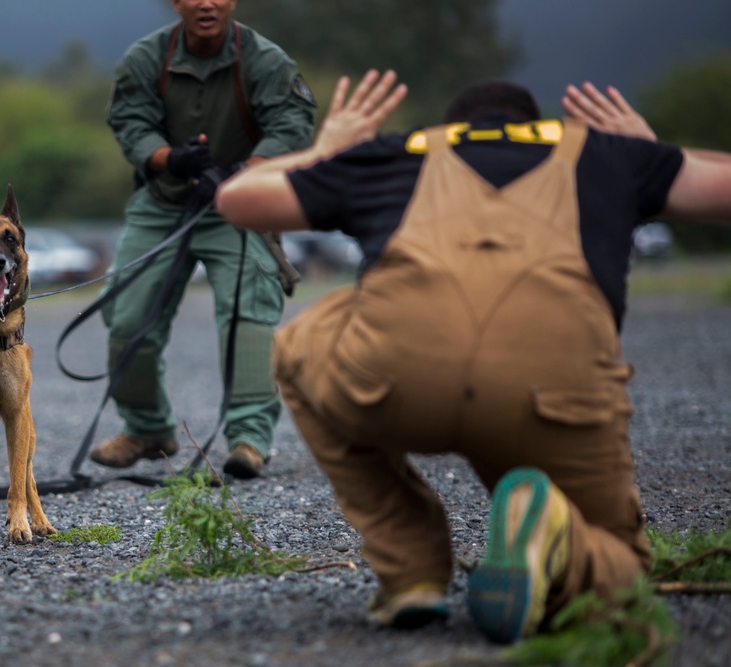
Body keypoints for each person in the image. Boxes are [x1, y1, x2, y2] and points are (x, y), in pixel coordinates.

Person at [215, 70, 731, 640]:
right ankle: (554, 530)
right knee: (621, 572)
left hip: (393, 383)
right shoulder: (608, 156)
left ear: (450, 129)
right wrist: (651, 152)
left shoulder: (398, 154)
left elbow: (237, 199)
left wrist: (327, 150)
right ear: (535, 126)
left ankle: (411, 570)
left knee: (298, 340)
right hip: (555, 400)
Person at [90, 0, 317, 479]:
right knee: (126, 313)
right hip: (163, 201)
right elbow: (130, 123)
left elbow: (291, 126)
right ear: (176, 3)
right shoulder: (144, 58)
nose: (207, 2)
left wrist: (241, 176)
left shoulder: (266, 60)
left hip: (240, 201)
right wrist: (170, 159)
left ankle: (249, 440)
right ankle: (148, 429)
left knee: (247, 314)